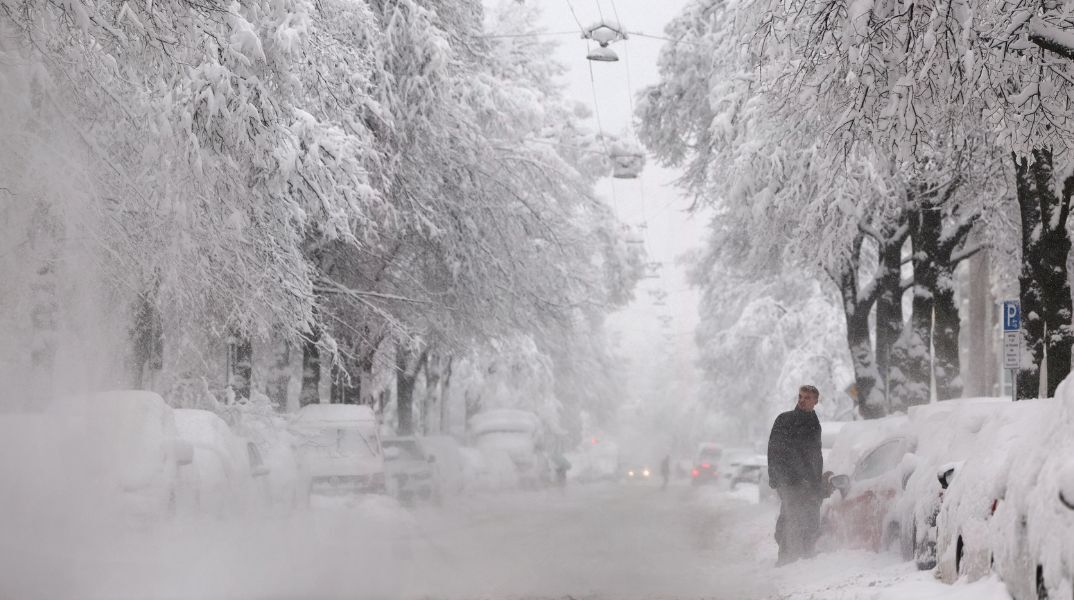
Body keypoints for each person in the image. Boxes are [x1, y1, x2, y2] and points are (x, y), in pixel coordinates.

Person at [767, 384, 825, 566]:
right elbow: (774, 451)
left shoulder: (815, 424)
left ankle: (806, 557)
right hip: (788, 481)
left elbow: (816, 454)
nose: (802, 400)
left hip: (809, 482)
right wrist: (777, 478)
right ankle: (785, 559)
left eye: (807, 397)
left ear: (815, 401)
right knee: (792, 518)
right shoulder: (785, 420)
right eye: (800, 396)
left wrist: (817, 480)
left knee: (810, 519)